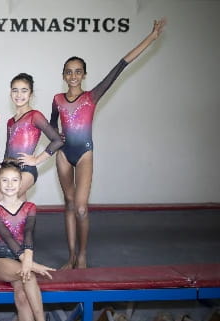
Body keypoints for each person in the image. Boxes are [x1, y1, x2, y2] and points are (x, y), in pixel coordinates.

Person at [50, 18, 166, 269]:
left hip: (83, 155)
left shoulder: (92, 96)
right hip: (62, 156)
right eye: (68, 71)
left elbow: (121, 65)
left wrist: (152, 37)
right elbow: (51, 127)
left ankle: (82, 255)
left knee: (81, 208)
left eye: (78, 71)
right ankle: (71, 257)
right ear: (63, 75)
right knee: (68, 204)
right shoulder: (57, 99)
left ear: (84, 75)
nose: (73, 75)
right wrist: (54, 141)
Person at [0, 159, 55, 321]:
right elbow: (8, 238)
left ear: (20, 184)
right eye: (5, 180)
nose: (10, 185)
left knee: (22, 297)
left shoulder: (29, 207)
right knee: (30, 276)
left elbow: (28, 233)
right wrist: (32, 265)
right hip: (0, 261)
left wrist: (28, 259)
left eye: (14, 180)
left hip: (22, 261)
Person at [0, 73, 63, 206]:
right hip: (10, 172)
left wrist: (36, 160)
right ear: (10, 94)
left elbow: (57, 140)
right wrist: (1, 174)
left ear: (31, 94)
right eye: (15, 90)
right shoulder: (11, 122)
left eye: (24, 90)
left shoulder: (35, 116)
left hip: (26, 170)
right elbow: (7, 151)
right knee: (17, 210)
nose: (19, 94)